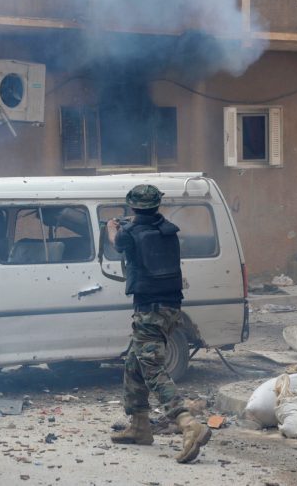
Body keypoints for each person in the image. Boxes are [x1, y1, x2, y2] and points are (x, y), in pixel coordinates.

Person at [106, 184, 211, 464]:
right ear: (157, 206)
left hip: (150, 309)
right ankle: (140, 426)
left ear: (131, 207)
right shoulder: (168, 230)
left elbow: (118, 244)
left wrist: (111, 228)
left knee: (152, 368)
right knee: (134, 361)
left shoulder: (127, 233)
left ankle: (187, 422)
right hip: (171, 307)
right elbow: (145, 232)